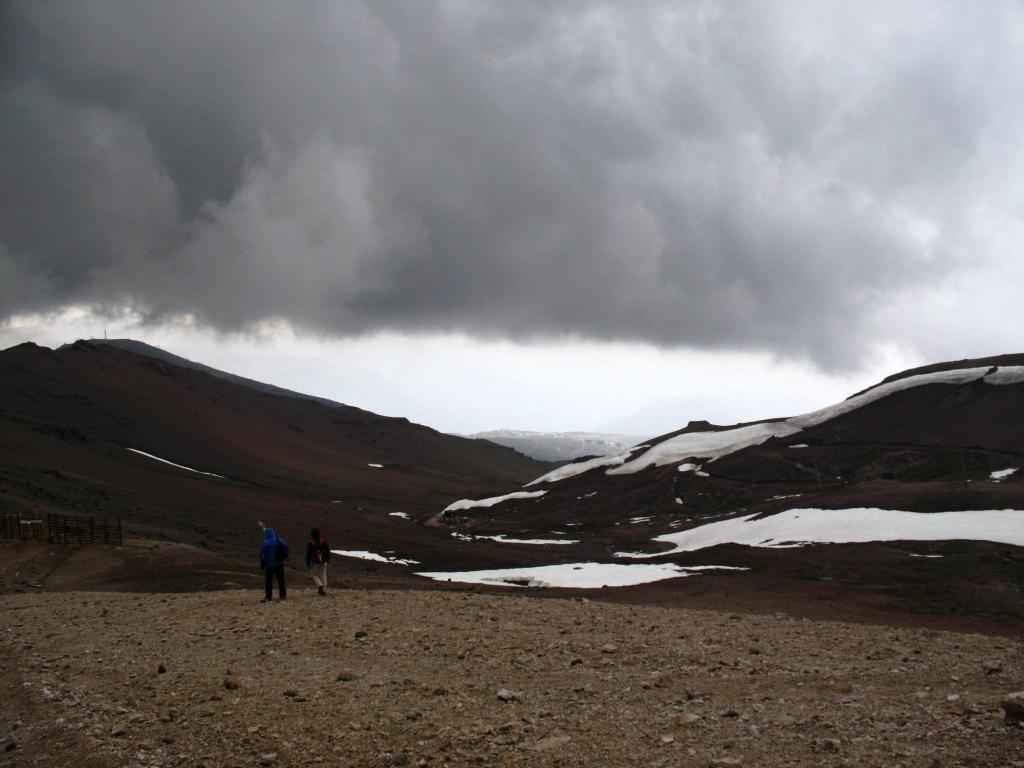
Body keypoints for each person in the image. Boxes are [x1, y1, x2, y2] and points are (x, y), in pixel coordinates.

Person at [259, 526, 287, 602]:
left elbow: (261, 553)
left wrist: (263, 561)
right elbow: (285, 547)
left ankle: (268, 596)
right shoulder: (279, 540)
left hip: (269, 565)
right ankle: (282, 595)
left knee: (268, 581)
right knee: (281, 580)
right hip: (279, 564)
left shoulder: (265, 543)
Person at [305, 527, 331, 596]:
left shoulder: (311, 543)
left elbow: (308, 554)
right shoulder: (323, 541)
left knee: (314, 574)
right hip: (324, 560)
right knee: (323, 575)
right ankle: (324, 590)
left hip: (316, 562)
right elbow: (328, 551)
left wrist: (308, 563)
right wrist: (328, 559)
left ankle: (319, 585)